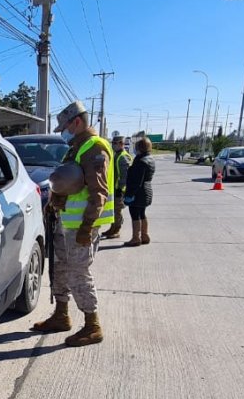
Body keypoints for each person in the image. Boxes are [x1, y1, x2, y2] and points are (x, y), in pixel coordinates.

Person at [32, 100, 114, 347]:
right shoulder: (76, 147)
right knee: (60, 268)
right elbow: (68, 182)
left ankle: (92, 326)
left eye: (65, 127)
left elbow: (99, 192)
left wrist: (87, 228)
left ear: (76, 122)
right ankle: (61, 315)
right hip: (66, 221)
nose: (64, 133)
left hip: (81, 226)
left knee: (78, 272)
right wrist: (53, 203)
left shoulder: (94, 148)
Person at [123, 136, 155, 246]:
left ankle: (136, 238)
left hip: (138, 193)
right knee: (142, 213)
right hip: (146, 191)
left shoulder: (141, 161)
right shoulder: (150, 159)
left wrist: (129, 194)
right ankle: (144, 236)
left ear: (139, 148)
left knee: (135, 214)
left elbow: (136, 181)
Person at [103, 135, 132, 239]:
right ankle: (112, 228)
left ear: (122, 144)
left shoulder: (123, 156)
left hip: (119, 189)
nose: (113, 145)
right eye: (112, 143)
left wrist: (120, 188)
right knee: (114, 210)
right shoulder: (117, 155)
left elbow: (125, 175)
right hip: (114, 188)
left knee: (117, 210)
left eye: (115, 143)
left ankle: (116, 230)